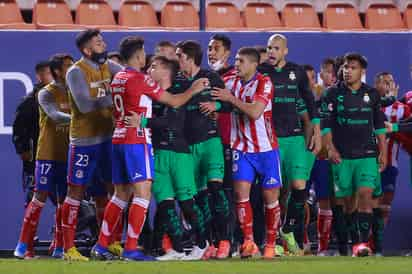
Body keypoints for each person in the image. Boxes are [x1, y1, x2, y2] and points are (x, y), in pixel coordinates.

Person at [91, 36, 209, 261]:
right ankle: (131, 248)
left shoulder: (118, 78)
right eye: (144, 53)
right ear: (138, 55)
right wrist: (193, 90)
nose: (146, 57)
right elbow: (174, 101)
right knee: (143, 195)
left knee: (119, 196)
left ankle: (101, 245)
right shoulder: (139, 79)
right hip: (136, 141)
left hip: (117, 139)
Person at [201, 47, 282, 259]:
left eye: (242, 61)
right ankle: (248, 241)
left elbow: (255, 112)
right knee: (240, 195)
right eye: (236, 60)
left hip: (266, 149)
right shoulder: (230, 81)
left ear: (254, 64)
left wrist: (229, 99)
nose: (237, 64)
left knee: (270, 198)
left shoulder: (264, 82)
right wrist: (217, 104)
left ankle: (271, 243)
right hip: (241, 148)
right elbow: (226, 105)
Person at [62, 29, 123, 261]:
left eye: (103, 41)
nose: (104, 45)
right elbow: (85, 105)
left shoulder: (111, 67)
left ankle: (111, 242)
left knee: (110, 192)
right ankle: (69, 249)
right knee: (75, 192)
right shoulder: (76, 72)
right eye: (98, 43)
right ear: (87, 50)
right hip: (84, 142)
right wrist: (114, 95)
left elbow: (129, 79)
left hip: (108, 139)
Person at [258, 34, 321, 255]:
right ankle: (271, 239)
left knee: (299, 186)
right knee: (274, 192)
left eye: (276, 48)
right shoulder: (261, 72)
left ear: (285, 51)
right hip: (270, 138)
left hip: (295, 137)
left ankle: (287, 228)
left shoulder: (298, 72)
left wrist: (316, 129)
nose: (272, 52)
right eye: (269, 48)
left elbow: (310, 100)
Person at [321, 53, 387, 257]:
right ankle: (355, 241)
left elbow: (379, 126)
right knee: (349, 203)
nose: (347, 71)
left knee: (366, 193)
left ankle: (360, 244)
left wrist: (383, 151)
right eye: (345, 67)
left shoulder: (372, 95)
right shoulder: (332, 94)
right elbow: (325, 126)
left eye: (353, 68)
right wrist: (330, 149)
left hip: (367, 154)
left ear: (362, 71)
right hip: (342, 157)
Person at [14, 53, 73, 259]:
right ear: (57, 71)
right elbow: (56, 116)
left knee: (64, 201)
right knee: (38, 197)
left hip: (68, 154)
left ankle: (61, 246)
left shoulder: (75, 92)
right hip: (47, 155)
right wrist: (82, 118)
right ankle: (23, 244)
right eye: (68, 66)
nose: (72, 70)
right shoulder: (45, 94)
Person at [176, 40, 231, 258]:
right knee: (198, 198)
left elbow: (228, 103)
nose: (176, 59)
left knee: (216, 190)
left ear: (189, 58)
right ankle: (207, 242)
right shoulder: (177, 81)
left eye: (179, 55)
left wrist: (215, 105)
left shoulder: (212, 78)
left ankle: (225, 241)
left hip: (211, 142)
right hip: (187, 147)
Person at [12, 61, 52, 208]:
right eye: (48, 73)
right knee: (35, 198)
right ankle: (29, 230)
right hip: (36, 159)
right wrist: (23, 150)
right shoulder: (29, 102)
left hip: (59, 157)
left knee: (67, 197)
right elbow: (18, 129)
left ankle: (65, 229)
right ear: (39, 76)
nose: (53, 76)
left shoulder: (64, 97)